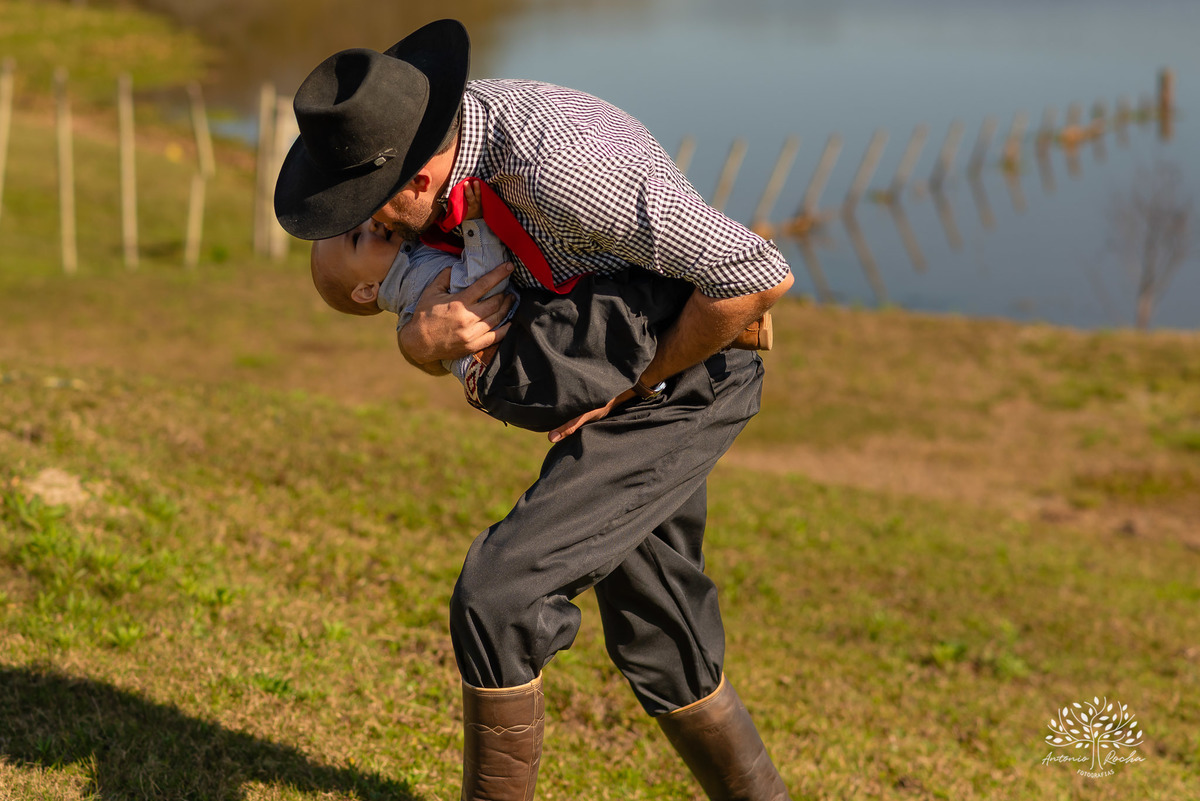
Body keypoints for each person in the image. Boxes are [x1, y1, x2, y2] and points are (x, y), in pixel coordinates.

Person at [275, 19, 794, 801]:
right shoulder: (446, 158)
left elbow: (756, 276)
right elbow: (425, 302)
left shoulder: (566, 167)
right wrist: (417, 343)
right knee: (662, 635)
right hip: (622, 366)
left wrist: (629, 389)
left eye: (370, 212)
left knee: (499, 594)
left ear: (414, 179)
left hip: (688, 369)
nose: (374, 226)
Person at [310, 179, 697, 432]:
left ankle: (664, 356)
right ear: (365, 291)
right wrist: (476, 222)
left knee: (605, 334)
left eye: (362, 221)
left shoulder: (410, 266)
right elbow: (480, 287)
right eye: (357, 240)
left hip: (510, 379)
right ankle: (698, 284)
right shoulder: (416, 282)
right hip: (515, 367)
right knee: (612, 312)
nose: (371, 225)